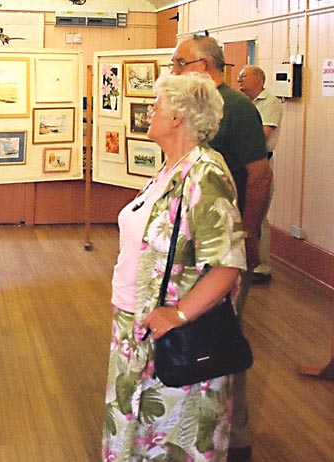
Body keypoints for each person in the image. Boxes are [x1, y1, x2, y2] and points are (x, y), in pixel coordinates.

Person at [102, 72, 247, 462]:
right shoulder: (171, 168)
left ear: (179, 116)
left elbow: (227, 264)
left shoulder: (206, 173)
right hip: (137, 325)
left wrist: (178, 313)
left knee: (171, 438)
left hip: (175, 334)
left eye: (157, 105)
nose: (150, 111)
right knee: (134, 431)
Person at [171, 36, 272, 462]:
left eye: (179, 62)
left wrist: (248, 235)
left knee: (223, 338)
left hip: (226, 247)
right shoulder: (193, 107)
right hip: (195, 246)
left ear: (204, 65)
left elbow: (259, 175)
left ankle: (236, 441)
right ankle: (194, 430)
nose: (173, 70)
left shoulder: (238, 108)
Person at [237, 65, 283, 285]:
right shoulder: (243, 103)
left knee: (259, 215)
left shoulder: (270, 102)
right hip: (242, 164)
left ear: (257, 78)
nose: (239, 80)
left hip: (261, 162)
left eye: (243, 76)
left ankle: (262, 267)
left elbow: (261, 135)